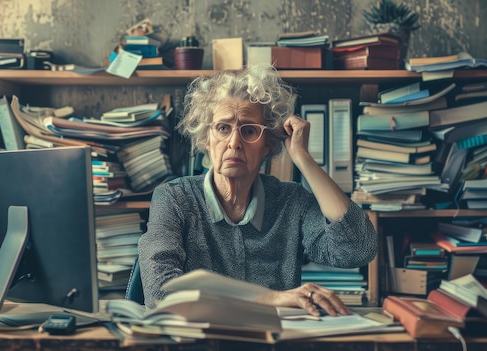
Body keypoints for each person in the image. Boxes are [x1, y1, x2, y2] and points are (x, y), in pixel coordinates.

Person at [138, 64, 377, 316]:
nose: (234, 143)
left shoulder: (291, 202)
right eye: (223, 128)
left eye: (249, 130)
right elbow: (160, 293)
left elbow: (358, 250)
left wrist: (303, 158)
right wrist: (270, 299)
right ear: (206, 139)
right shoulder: (174, 198)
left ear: (267, 144)